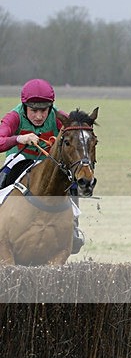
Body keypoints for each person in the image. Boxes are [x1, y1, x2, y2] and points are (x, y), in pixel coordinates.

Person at [0, 79, 84, 253]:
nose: (38, 116)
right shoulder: (14, 117)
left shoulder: (60, 117)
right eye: (33, 111)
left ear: (50, 107)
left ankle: (73, 228)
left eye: (43, 111)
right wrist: (18, 139)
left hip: (48, 163)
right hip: (19, 160)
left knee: (71, 179)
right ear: (25, 107)